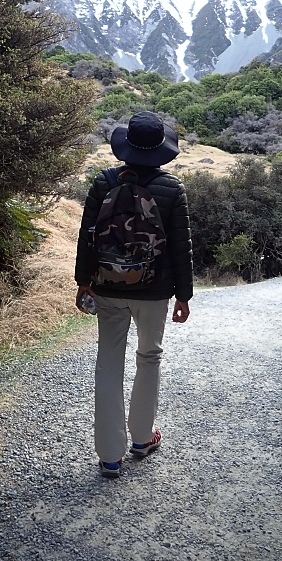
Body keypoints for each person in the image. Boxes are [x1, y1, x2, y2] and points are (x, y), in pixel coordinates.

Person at [75, 111, 193, 478]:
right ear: (162, 151)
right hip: (155, 290)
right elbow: (180, 248)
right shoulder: (173, 189)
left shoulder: (102, 182)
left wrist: (83, 282)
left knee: (109, 364)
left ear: (125, 147)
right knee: (149, 356)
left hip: (107, 287)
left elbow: (86, 236)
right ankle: (142, 439)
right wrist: (183, 296)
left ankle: (110, 456)